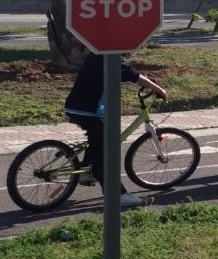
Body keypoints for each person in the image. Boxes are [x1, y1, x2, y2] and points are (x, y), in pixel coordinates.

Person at [65, 52, 167, 207]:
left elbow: (126, 73)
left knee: (98, 139)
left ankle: (86, 173)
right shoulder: (109, 55)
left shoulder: (96, 53)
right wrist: (158, 88)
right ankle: (117, 195)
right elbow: (132, 75)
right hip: (89, 110)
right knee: (105, 153)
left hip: (76, 106)